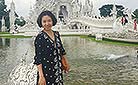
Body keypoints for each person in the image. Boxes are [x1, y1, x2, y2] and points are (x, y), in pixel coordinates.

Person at [34, 10, 70, 85]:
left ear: (53, 21)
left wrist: (65, 63)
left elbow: (62, 50)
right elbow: (38, 58)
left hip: (57, 70)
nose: (47, 24)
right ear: (41, 23)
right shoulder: (40, 37)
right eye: (44, 21)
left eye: (49, 21)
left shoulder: (57, 34)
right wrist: (41, 76)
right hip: (46, 72)